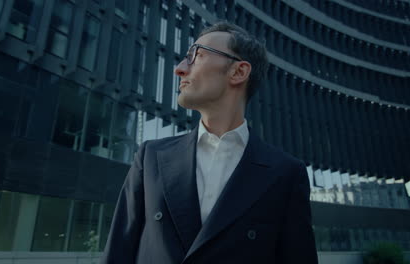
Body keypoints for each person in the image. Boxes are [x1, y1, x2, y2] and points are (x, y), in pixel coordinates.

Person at [101, 21, 318, 264]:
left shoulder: (286, 173)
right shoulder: (151, 157)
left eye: (197, 55)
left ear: (238, 72)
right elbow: (118, 252)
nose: (180, 69)